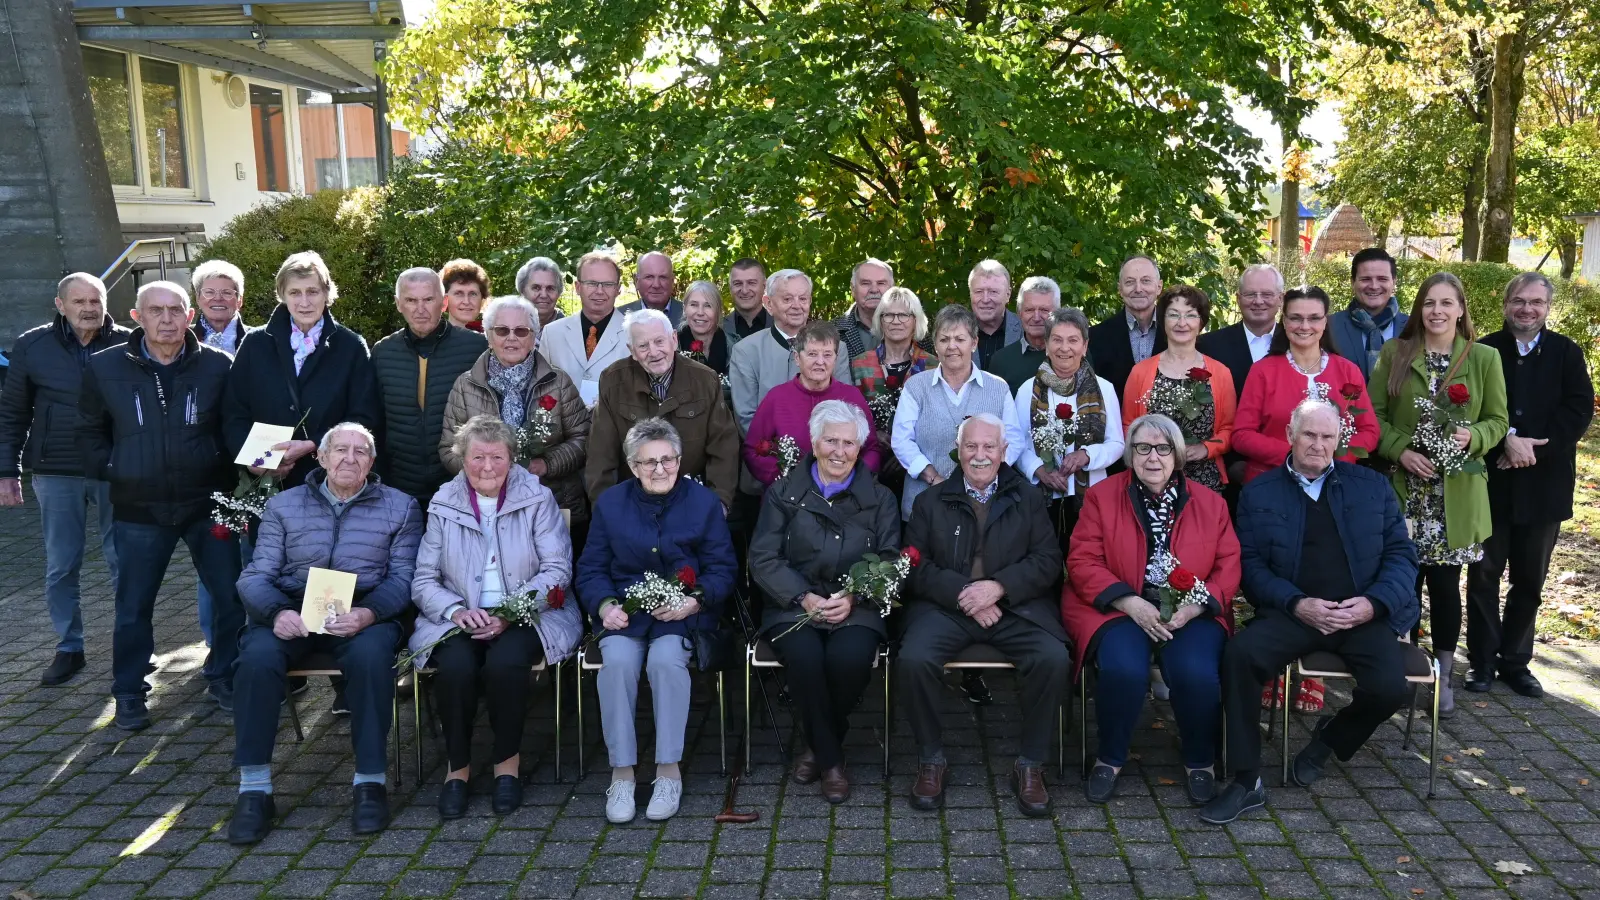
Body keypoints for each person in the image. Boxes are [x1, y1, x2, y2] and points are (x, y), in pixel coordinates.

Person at [1201, 400, 1419, 825]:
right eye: (1309, 435)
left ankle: (1329, 740)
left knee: (1391, 688)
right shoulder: (1259, 491)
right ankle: (1246, 780)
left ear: (1339, 441)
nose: (1318, 445)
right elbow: (1251, 565)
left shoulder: (1371, 486)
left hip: (1361, 612)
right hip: (1294, 611)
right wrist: (1297, 603)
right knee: (1239, 657)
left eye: (1327, 437)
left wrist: (1372, 604)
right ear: (1290, 436)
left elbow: (1401, 556)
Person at [226, 423, 423, 844]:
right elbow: (255, 575)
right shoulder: (284, 506)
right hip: (292, 611)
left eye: (360, 452)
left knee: (372, 660)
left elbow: (406, 578)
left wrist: (370, 613)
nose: (349, 458)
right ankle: (255, 790)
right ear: (321, 457)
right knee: (255, 661)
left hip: (362, 613)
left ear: (372, 463)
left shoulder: (401, 507)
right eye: (340, 450)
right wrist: (277, 612)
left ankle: (369, 782)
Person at [78, 282, 243, 730]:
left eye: (176, 310)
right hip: (138, 507)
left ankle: (224, 674)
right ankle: (130, 692)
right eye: (157, 311)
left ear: (191, 317)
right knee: (133, 606)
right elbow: (88, 432)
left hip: (208, 502)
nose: (167, 319)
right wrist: (116, 467)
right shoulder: (105, 367)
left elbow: (233, 428)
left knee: (230, 597)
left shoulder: (218, 366)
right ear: (137, 316)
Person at [410, 415, 582, 819]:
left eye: (497, 457)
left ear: (512, 458)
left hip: (527, 612)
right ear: (461, 459)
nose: (487, 467)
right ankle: (458, 770)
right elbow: (423, 579)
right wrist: (455, 611)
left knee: (506, 665)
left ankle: (507, 766)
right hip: (458, 614)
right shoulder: (442, 502)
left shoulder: (536, 498)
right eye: (477, 457)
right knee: (454, 668)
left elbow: (557, 568)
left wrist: (508, 611)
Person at [898, 414, 1069, 816]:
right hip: (948, 606)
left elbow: (1048, 560)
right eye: (971, 447)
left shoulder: (1028, 497)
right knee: (914, 659)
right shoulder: (929, 501)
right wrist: (963, 593)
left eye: (989, 447)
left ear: (1004, 451)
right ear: (957, 452)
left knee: (1052, 658)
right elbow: (914, 565)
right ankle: (930, 758)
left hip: (1013, 606)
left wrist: (999, 588)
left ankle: (1030, 764)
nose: (979, 455)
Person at [1064, 413, 1239, 805]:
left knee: (1195, 672)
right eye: (1143, 448)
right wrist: (1129, 601)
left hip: (1190, 609)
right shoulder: (1102, 496)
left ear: (1177, 456)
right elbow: (1082, 560)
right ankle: (1109, 757)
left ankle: (1200, 760)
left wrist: (1194, 607)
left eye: (1163, 449)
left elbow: (1229, 565)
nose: (1153, 458)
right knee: (1123, 669)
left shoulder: (1211, 504)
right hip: (1119, 606)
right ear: (1130, 454)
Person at [578, 418, 736, 824]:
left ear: (680, 461)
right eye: (649, 463)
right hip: (625, 615)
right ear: (633, 467)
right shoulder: (611, 504)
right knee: (617, 665)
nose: (660, 469)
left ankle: (668, 771)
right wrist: (605, 605)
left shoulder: (702, 503)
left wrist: (694, 601)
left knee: (665, 662)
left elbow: (722, 568)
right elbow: (591, 568)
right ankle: (623, 773)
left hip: (680, 616)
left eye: (667, 460)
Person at [1370, 272, 1507, 716]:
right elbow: (1373, 414)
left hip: (1456, 493)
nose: (1437, 311)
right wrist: (1400, 451)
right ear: (1419, 308)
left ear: (1461, 309)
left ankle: (1443, 677)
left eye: (1447, 303)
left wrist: (1475, 436)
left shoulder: (1484, 358)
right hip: (1406, 488)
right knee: (1402, 582)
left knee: (1446, 586)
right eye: (1429, 303)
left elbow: (1498, 420)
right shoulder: (1396, 352)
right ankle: (1402, 668)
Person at [749, 401, 898, 803]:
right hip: (792, 604)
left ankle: (816, 746)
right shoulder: (783, 492)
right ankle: (832, 761)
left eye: (849, 442)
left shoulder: (880, 498)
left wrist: (853, 594)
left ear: (860, 447)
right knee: (807, 659)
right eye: (830, 440)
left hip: (858, 607)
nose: (839, 450)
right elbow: (762, 558)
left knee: (847, 660)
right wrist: (802, 595)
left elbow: (888, 558)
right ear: (813, 443)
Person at [1466, 273, 1594, 697]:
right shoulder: (1483, 350)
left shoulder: (1566, 352)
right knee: (1484, 576)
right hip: (1491, 484)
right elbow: (1469, 408)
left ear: (1547, 308)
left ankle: (1516, 662)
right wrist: (1506, 440)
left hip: (1544, 486)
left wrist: (1533, 449)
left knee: (1530, 580)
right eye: (1519, 301)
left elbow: (1578, 411)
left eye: (1536, 303)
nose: (1527, 309)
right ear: (1505, 304)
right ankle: (1481, 662)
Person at [0, 273, 129, 685]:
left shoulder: (129, 341)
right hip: (56, 470)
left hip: (115, 468)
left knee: (124, 562)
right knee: (61, 564)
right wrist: (7, 470)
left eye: (96, 300)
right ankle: (69, 647)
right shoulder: (32, 345)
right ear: (60, 305)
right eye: (79, 301)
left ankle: (132, 646)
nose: (89, 308)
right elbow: (13, 413)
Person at [223, 251, 381, 490]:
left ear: (327, 294)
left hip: (329, 481)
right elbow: (233, 412)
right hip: (269, 482)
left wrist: (313, 444)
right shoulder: (255, 343)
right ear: (282, 296)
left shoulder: (351, 346)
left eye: (313, 292)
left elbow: (364, 416)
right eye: (295, 292)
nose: (304, 302)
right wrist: (253, 461)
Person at [441, 295, 591, 535]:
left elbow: (583, 439)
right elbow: (449, 448)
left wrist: (545, 464)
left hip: (553, 502)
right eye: (502, 330)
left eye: (521, 331)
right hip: (485, 506)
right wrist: (487, 471)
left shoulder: (558, 382)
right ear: (488, 335)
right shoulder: (466, 384)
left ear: (534, 336)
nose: (511, 338)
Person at [587, 309, 741, 508]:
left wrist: (719, 504)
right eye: (643, 345)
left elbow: (723, 448)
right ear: (632, 350)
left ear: (674, 340)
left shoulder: (705, 380)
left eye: (659, 341)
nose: (653, 352)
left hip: (691, 499)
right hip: (633, 501)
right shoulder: (612, 380)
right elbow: (600, 454)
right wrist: (606, 510)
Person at [891, 304, 1026, 521]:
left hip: (985, 503)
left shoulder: (997, 388)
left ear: (974, 343)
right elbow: (901, 440)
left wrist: (985, 476)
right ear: (935, 345)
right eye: (944, 339)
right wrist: (934, 478)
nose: (951, 346)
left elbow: (1014, 440)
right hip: (925, 502)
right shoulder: (916, 387)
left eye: (960, 339)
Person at [1232, 286, 1380, 483]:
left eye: (1314, 318)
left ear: (1325, 321)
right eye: (1295, 318)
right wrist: (1297, 456)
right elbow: (1242, 435)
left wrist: (1335, 456)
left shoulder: (1348, 370)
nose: (1304, 326)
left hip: (1336, 480)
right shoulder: (1263, 371)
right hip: (1273, 480)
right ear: (1284, 321)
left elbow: (1369, 431)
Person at [372, 268, 488, 506]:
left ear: (443, 302)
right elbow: (375, 421)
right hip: (399, 487)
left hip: (460, 484)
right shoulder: (383, 352)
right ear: (398, 304)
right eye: (411, 300)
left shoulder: (476, 348)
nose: (420, 309)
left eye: (428, 299)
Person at [1014, 307, 1124, 555]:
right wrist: (1039, 470)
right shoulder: (1027, 390)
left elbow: (1117, 443)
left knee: (1087, 564)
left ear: (1085, 346)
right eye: (1057, 340)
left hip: (1091, 497)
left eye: (1073, 340)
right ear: (1046, 345)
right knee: (1045, 566)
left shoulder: (1104, 389)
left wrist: (1087, 456)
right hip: (1040, 499)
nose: (1065, 348)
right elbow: (1016, 443)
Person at [1121, 285, 1236, 492]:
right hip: (1151, 478)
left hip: (1204, 480)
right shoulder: (1140, 372)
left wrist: (1207, 448)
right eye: (1173, 315)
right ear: (1163, 321)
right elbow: (1128, 426)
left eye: (1190, 315)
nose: (1182, 323)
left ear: (1201, 322)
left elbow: (1229, 429)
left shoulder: (1220, 373)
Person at [743, 322, 880, 487]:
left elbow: (872, 448)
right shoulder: (777, 398)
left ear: (836, 359)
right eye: (812, 354)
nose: (820, 362)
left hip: (844, 496)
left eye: (827, 355)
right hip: (789, 496)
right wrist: (787, 478)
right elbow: (752, 451)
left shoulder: (851, 396)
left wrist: (852, 478)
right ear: (797, 358)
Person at [728, 268, 853, 433]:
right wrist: (780, 453)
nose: (797, 306)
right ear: (768, 304)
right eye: (787, 299)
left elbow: (844, 406)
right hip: (768, 452)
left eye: (803, 299)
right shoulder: (746, 351)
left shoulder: (837, 348)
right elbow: (746, 418)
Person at [849, 286, 935, 499]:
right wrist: (872, 436)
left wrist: (905, 450)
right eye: (889, 315)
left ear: (915, 320)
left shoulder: (933, 365)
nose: (896, 321)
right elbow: (849, 412)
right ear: (880, 320)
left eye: (903, 315)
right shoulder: (859, 363)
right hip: (869, 462)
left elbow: (937, 416)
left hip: (919, 466)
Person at [540, 251, 633, 407]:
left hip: (617, 428)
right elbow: (541, 388)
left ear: (618, 289)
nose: (599, 291)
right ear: (577, 287)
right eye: (591, 283)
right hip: (564, 428)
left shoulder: (635, 333)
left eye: (608, 284)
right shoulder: (552, 333)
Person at [1196, 264, 1283, 405]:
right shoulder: (1208, 346)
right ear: (1238, 298)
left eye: (1267, 294)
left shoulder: (1294, 343)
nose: (1259, 301)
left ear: (1281, 298)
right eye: (1250, 294)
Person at [1088, 255, 1167, 404]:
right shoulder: (1095, 337)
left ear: (1159, 287)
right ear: (1120, 289)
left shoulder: (1178, 333)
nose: (1138, 289)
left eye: (1146, 281)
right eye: (1130, 282)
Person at [1330, 247, 1409, 381]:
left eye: (1382, 279)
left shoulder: (1413, 328)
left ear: (1394, 282)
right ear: (1352, 282)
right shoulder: (1329, 327)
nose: (1374, 286)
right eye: (1366, 279)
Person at [986, 276, 1061, 393]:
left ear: (1057, 313)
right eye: (1029, 310)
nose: (1036, 318)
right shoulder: (1001, 361)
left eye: (1044, 310)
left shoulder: (1073, 356)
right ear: (1020, 313)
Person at [832, 258, 894, 360]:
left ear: (892, 288)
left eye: (881, 283)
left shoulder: (914, 331)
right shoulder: (832, 331)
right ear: (853, 289)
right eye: (865, 283)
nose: (874, 290)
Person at [967, 259, 1022, 368]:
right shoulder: (956, 332)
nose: (985, 299)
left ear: (1008, 294)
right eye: (979, 292)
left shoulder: (1025, 330)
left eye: (993, 292)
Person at [191, 259, 253, 354]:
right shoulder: (183, 338)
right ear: (198, 299)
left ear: (240, 300)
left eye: (227, 292)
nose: (218, 298)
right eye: (209, 292)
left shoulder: (259, 338)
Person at [677, 280, 734, 376]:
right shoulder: (671, 347)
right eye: (694, 305)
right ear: (684, 309)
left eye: (708, 306)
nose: (700, 312)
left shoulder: (735, 348)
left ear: (719, 311)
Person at [618, 251, 683, 326]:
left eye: (663, 277)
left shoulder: (689, 315)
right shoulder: (619, 316)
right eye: (649, 277)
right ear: (637, 281)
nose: (656, 285)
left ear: (672, 281)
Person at [722, 258, 770, 340]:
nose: (744, 290)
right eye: (738, 283)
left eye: (751, 283)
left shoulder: (783, 326)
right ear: (730, 287)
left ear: (764, 286)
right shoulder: (717, 329)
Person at [516, 256, 566, 329]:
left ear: (558, 293)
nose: (544, 295)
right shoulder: (504, 329)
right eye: (536, 288)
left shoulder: (573, 332)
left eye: (550, 288)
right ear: (522, 291)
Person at [442, 258, 491, 332]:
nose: (466, 301)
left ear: (482, 298)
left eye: (473, 294)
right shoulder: (431, 340)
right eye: (458, 293)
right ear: (445, 299)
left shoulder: (491, 339)